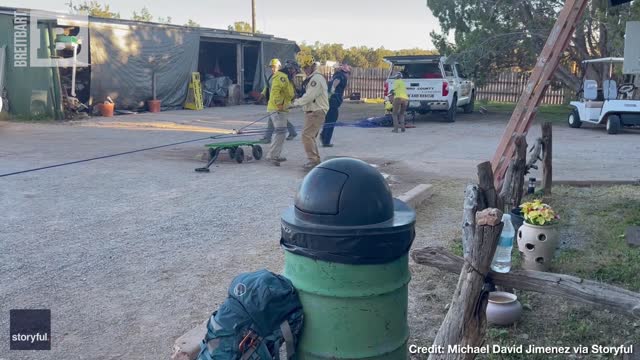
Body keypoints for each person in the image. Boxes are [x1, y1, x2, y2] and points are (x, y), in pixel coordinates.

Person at [292, 54, 329, 169]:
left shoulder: (316, 79)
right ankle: (315, 160)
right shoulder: (312, 78)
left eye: (307, 67)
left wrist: (295, 103)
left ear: (313, 66)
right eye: (303, 68)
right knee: (310, 136)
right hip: (313, 111)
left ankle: (313, 161)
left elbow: (309, 96)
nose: (305, 70)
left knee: (306, 136)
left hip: (316, 112)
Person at [265, 60, 300, 166]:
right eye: (295, 71)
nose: (295, 74)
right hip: (277, 109)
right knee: (280, 132)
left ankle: (274, 154)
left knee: (281, 133)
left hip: (282, 109)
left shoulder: (286, 78)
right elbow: (275, 92)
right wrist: (279, 104)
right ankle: (272, 156)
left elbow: (288, 93)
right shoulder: (282, 77)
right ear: (291, 69)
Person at [260, 58, 297, 143]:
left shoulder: (282, 77)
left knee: (276, 121)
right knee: (276, 120)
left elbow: (288, 91)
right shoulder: (272, 77)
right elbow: (268, 86)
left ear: (279, 67)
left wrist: (280, 103)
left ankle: (267, 138)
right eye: (271, 67)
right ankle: (292, 132)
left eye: (274, 67)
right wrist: (262, 94)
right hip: (273, 103)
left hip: (278, 104)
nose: (272, 69)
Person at [320, 63, 350, 147]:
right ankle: (326, 141)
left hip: (329, 101)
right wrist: (332, 91)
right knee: (332, 120)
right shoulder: (341, 76)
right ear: (345, 72)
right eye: (348, 74)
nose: (348, 76)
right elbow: (336, 83)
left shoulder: (335, 75)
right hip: (332, 102)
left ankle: (323, 136)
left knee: (328, 120)